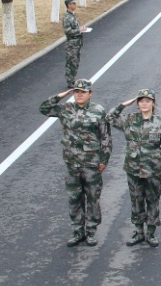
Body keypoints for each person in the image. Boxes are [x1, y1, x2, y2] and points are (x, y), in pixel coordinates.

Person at [39, 79, 111, 247]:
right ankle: (77, 231)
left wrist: (104, 160)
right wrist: (60, 96)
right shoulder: (66, 109)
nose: (79, 95)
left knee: (92, 198)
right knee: (74, 198)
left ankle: (91, 231)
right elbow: (44, 109)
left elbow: (106, 138)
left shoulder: (98, 111)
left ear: (90, 94)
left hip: (91, 163)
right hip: (72, 163)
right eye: (76, 92)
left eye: (83, 92)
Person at [106, 88, 161, 247]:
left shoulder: (160, 122)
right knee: (136, 201)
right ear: (137, 104)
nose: (144, 104)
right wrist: (124, 104)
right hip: (133, 168)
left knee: (152, 201)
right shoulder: (129, 120)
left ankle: (150, 233)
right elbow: (109, 117)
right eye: (141, 101)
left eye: (147, 101)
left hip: (153, 169)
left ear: (153, 103)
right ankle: (138, 232)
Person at [62, 0, 84, 87]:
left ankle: (72, 79)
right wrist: (79, 30)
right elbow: (68, 31)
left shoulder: (72, 15)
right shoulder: (67, 17)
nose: (75, 5)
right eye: (73, 3)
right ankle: (70, 81)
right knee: (71, 62)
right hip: (71, 44)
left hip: (77, 43)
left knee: (76, 62)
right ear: (69, 5)